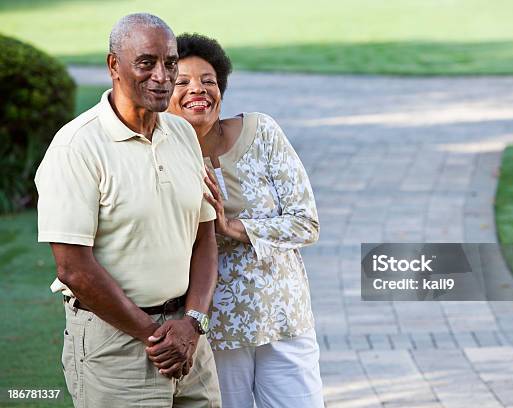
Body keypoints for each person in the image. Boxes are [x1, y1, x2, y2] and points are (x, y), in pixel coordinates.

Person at [35, 14, 221, 407]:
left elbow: (205, 239)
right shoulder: (76, 148)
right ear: (113, 66)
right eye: (146, 62)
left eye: (170, 63)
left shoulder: (183, 133)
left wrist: (192, 325)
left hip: (189, 342)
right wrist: (154, 336)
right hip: (116, 347)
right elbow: (73, 269)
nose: (162, 75)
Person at [167, 33, 324, 408]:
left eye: (208, 81)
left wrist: (234, 228)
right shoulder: (164, 155)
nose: (198, 90)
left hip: (283, 317)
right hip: (216, 327)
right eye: (182, 82)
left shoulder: (262, 132)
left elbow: (306, 222)